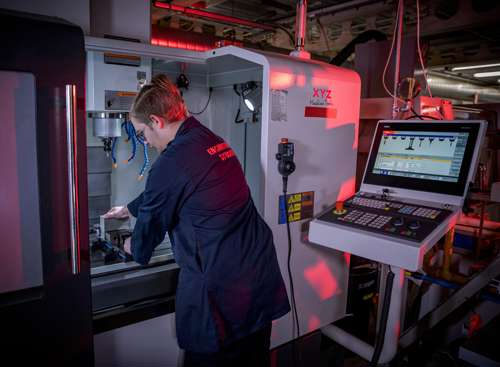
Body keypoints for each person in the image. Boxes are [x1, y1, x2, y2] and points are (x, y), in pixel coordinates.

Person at [104, 74, 290, 367]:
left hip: (221, 287)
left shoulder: (171, 161)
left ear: (156, 121)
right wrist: (129, 208)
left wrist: (128, 245)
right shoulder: (207, 138)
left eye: (142, 133)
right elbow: (179, 186)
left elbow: (144, 243)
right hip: (256, 273)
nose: (146, 141)